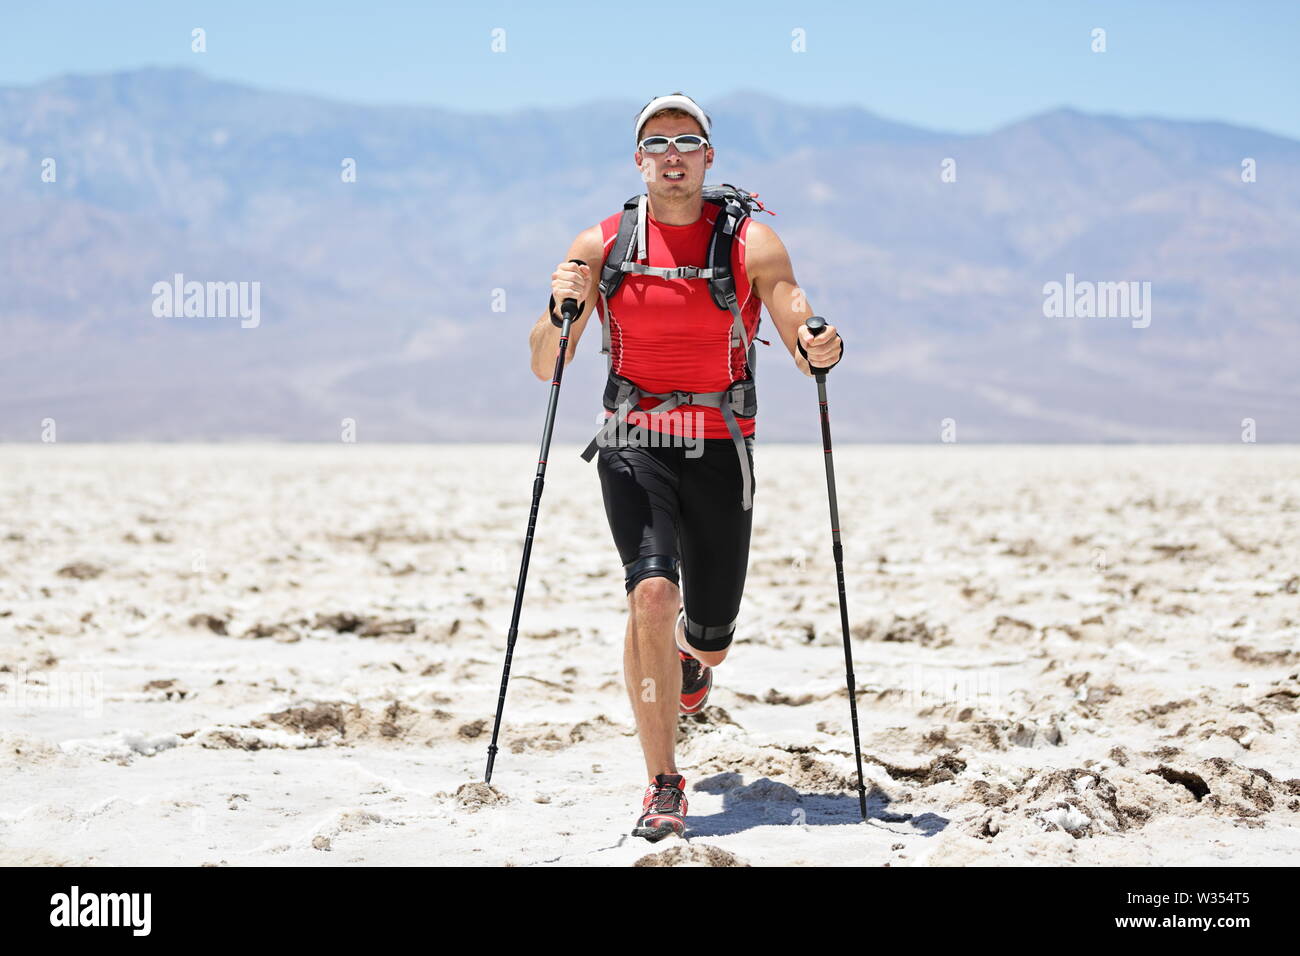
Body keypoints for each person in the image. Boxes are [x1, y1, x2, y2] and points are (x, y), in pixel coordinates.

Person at [526, 92, 843, 841]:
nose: (673, 154)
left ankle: (694, 665)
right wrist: (557, 307)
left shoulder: (751, 244)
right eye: (658, 142)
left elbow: (796, 318)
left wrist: (817, 345)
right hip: (634, 441)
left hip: (721, 447)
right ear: (639, 160)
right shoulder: (601, 244)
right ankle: (663, 784)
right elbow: (548, 365)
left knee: (710, 632)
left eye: (688, 141)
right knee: (651, 595)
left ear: (708, 157)